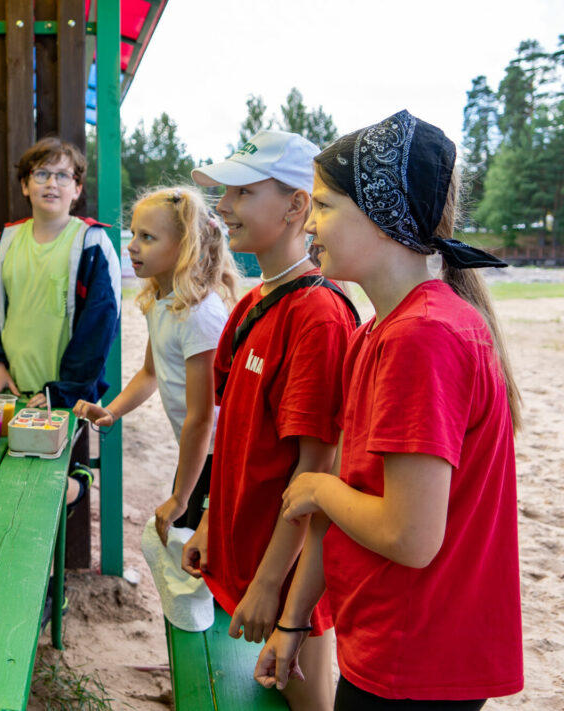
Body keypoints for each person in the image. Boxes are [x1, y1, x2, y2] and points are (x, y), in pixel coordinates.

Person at [254, 111, 523, 710]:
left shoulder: (422, 336)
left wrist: (318, 489)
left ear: (382, 216)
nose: (311, 224)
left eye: (323, 206)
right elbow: (356, 486)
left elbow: (409, 535)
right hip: (388, 641)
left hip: (419, 656)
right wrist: (293, 621)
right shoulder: (381, 329)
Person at [180, 130, 360, 710]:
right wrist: (209, 521)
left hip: (289, 580)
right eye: (224, 193)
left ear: (295, 205)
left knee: (307, 701)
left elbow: (318, 469)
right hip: (248, 554)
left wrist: (270, 588)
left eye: (241, 192)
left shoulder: (319, 317)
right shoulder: (255, 301)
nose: (223, 208)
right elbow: (232, 430)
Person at [73, 186, 239, 544]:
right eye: (133, 234)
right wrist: (111, 411)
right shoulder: (161, 301)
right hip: (196, 450)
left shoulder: (199, 316)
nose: (132, 245)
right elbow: (150, 372)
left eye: (147, 237)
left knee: (199, 554)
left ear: (185, 247)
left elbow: (202, 416)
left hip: (220, 457)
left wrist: (180, 496)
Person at [0, 135, 121, 505]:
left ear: (78, 189)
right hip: (11, 392)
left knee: (49, 494)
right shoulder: (5, 242)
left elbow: (99, 328)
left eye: (63, 176)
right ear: (25, 185)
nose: (52, 183)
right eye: (41, 174)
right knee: (3, 491)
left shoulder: (92, 243)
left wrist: (62, 391)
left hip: (61, 399)